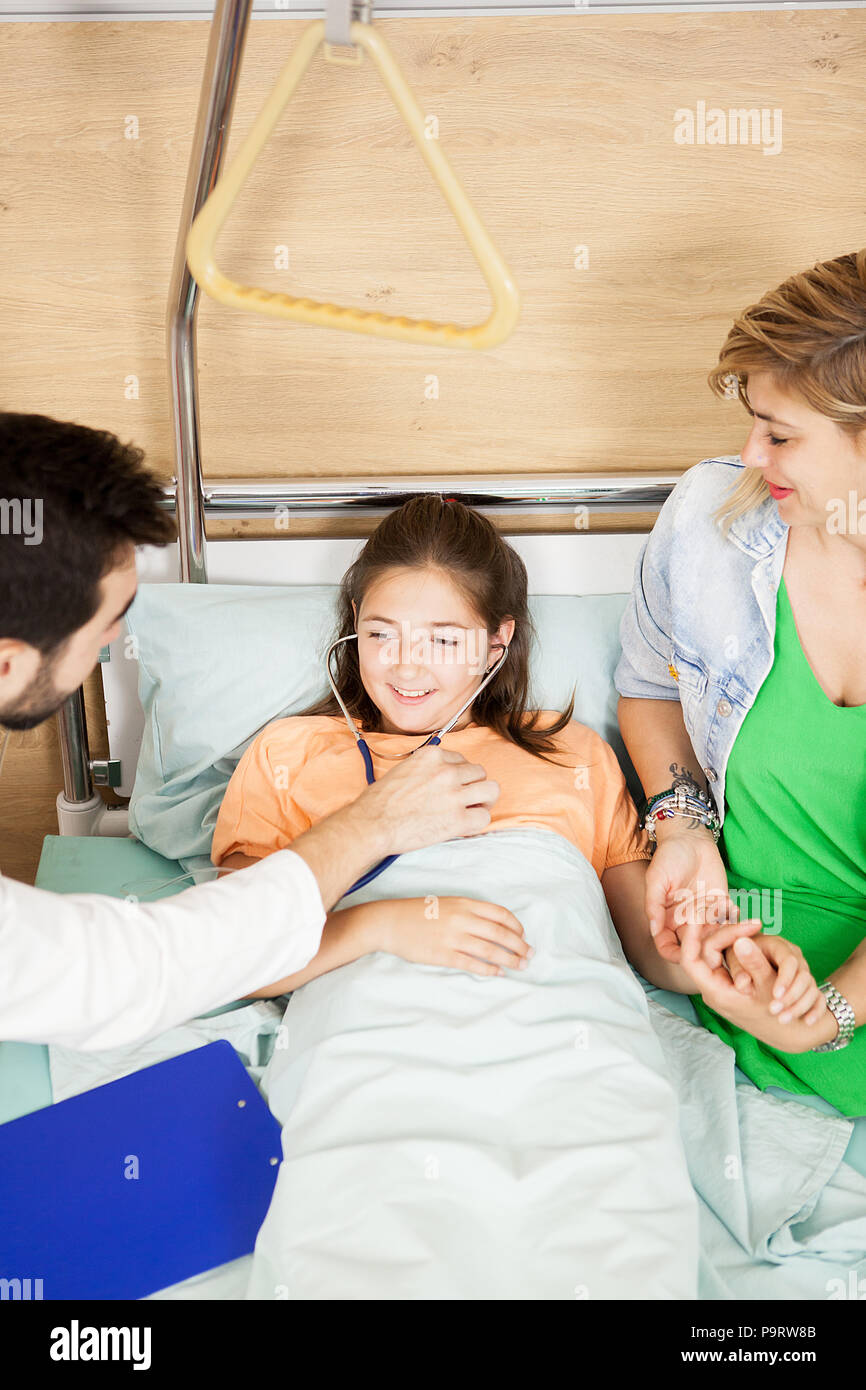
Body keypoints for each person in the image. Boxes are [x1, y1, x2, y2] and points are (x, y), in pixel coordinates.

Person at [208, 493, 810, 1025]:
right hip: (374, 1031)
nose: (406, 665)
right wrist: (384, 925)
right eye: (381, 633)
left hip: (562, 1024)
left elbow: (652, 951)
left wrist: (711, 962)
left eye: (443, 639)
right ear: (353, 628)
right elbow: (236, 956)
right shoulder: (289, 754)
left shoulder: (571, 754)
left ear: (498, 643)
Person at [0, 413, 502, 1051]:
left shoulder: (569, 759)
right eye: (108, 622)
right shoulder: (288, 755)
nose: (115, 644)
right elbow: (135, 970)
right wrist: (374, 827)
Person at [615, 249, 866, 1117]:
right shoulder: (711, 523)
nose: (749, 452)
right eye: (754, 421)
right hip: (731, 955)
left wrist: (824, 1013)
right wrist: (682, 829)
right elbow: (649, 686)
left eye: (782, 433)